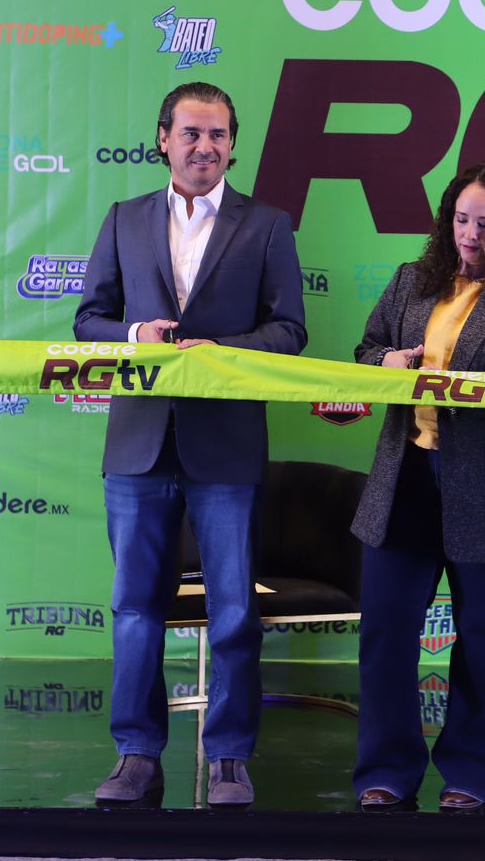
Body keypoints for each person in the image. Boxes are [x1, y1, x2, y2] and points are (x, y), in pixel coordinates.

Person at [74, 82, 306, 806]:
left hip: (226, 448)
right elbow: (87, 320)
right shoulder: (124, 219)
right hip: (138, 445)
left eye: (218, 135)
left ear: (233, 144)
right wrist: (134, 334)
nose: (205, 146)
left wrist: (224, 352)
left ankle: (230, 757)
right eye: (192, 133)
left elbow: (290, 331)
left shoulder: (267, 225)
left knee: (233, 611)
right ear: (163, 139)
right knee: (135, 609)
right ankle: (136, 754)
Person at [351, 163, 485, 813]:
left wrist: (463, 389)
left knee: (480, 633)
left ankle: (470, 774)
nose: (470, 235)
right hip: (407, 475)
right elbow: (366, 352)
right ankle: (387, 770)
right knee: (387, 630)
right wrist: (387, 363)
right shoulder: (410, 281)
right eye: (461, 220)